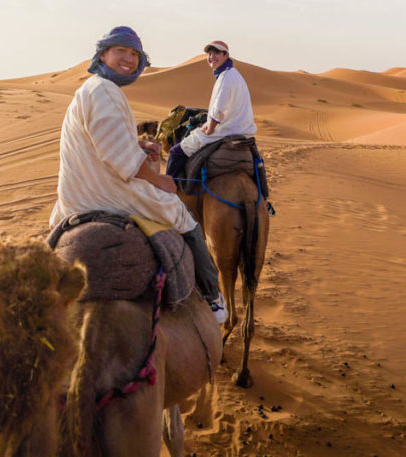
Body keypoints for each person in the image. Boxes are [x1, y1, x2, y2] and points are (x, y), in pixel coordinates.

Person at [49, 26, 228, 323]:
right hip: (104, 191)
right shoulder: (102, 91)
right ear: (103, 53)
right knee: (183, 218)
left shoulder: (96, 89)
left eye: (135, 54)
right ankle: (212, 297)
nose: (129, 59)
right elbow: (118, 159)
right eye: (121, 51)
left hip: (79, 192)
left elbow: (106, 140)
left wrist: (137, 144)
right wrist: (159, 180)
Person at [166, 40, 257, 180]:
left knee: (175, 153)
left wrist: (210, 127)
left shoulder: (225, 77)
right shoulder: (234, 75)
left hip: (225, 130)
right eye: (209, 53)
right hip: (244, 131)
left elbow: (219, 108)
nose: (212, 57)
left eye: (216, 53)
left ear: (226, 55)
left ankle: (166, 194)